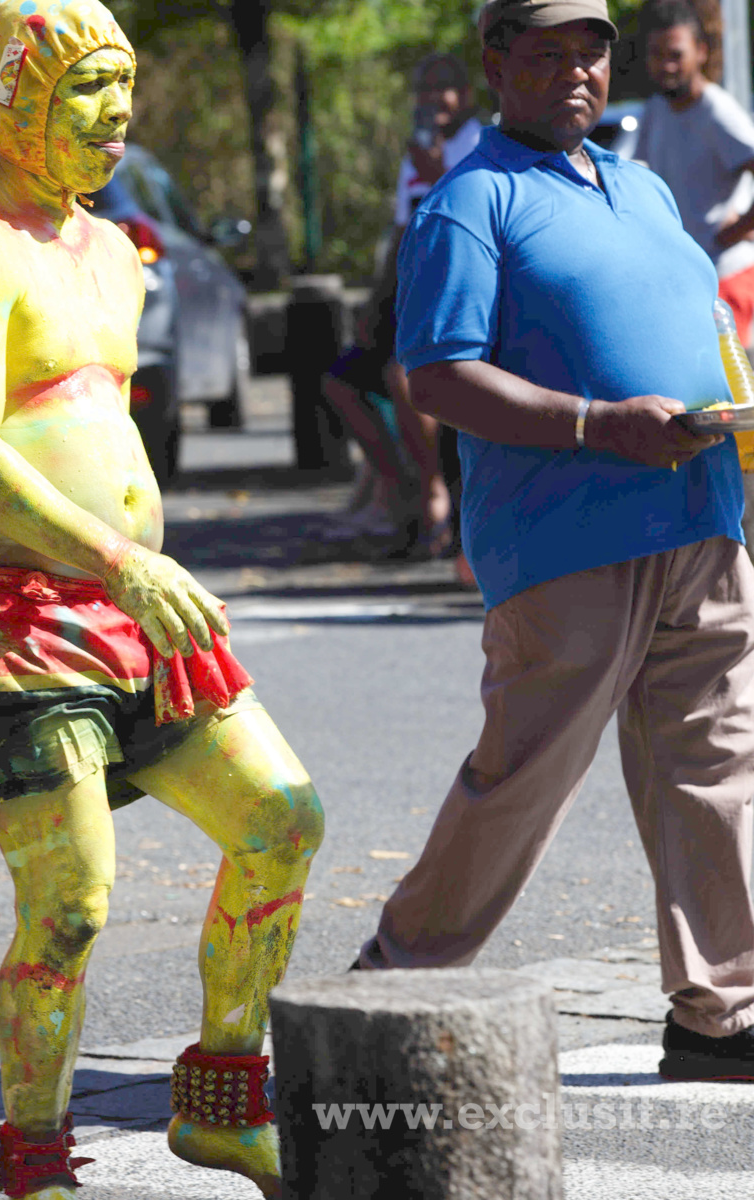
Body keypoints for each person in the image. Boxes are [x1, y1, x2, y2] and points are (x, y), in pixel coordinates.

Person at [0, 3, 323, 1197]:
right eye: (87, 90)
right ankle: (35, 1163)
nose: (117, 113)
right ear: (15, 98)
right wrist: (119, 558)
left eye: (123, 87)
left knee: (281, 817)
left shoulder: (116, 250)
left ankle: (222, 1101)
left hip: (132, 616)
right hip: (14, 618)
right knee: (72, 900)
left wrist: (136, 571)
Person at [352, 0, 754, 1084]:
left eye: (592, 49)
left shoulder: (644, 182)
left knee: (714, 767)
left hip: (705, 516)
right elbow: (434, 373)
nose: (576, 70)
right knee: (525, 775)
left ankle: (722, 1016)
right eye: (546, 50)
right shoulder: (468, 202)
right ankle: (388, 997)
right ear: (496, 62)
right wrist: (593, 424)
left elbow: (695, 321)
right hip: (569, 535)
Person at [323, 53, 481, 560]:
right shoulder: (414, 154)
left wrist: (440, 171)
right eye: (424, 89)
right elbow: (399, 229)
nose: (434, 99)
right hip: (413, 293)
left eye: (445, 88)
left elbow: (471, 221)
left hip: (461, 297)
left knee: (403, 376)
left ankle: (437, 491)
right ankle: (401, 492)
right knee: (342, 380)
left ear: (468, 95)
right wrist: (375, 300)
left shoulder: (478, 147)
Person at [636, 0, 754, 345]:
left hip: (727, 280)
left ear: (700, 52)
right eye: (656, 54)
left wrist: (737, 230)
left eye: (675, 54)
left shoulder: (716, 111)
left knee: (733, 394)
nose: (665, 65)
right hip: (687, 279)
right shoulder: (657, 108)